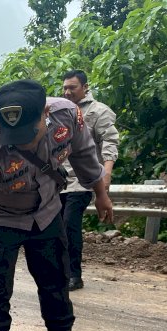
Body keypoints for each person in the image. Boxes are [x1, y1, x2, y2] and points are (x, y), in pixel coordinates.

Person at [0, 79, 114, 331]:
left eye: (27, 135)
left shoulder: (67, 116)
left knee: (57, 285)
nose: (22, 143)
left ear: (45, 114)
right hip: (3, 221)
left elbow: (86, 155)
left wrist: (101, 194)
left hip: (47, 213)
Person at [61, 69, 120, 291]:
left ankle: (74, 275)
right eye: (65, 87)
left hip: (83, 180)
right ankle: (60, 273)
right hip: (58, 181)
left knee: (69, 224)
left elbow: (110, 142)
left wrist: (106, 174)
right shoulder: (59, 110)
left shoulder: (98, 111)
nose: (67, 92)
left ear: (85, 87)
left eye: (72, 87)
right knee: (55, 228)